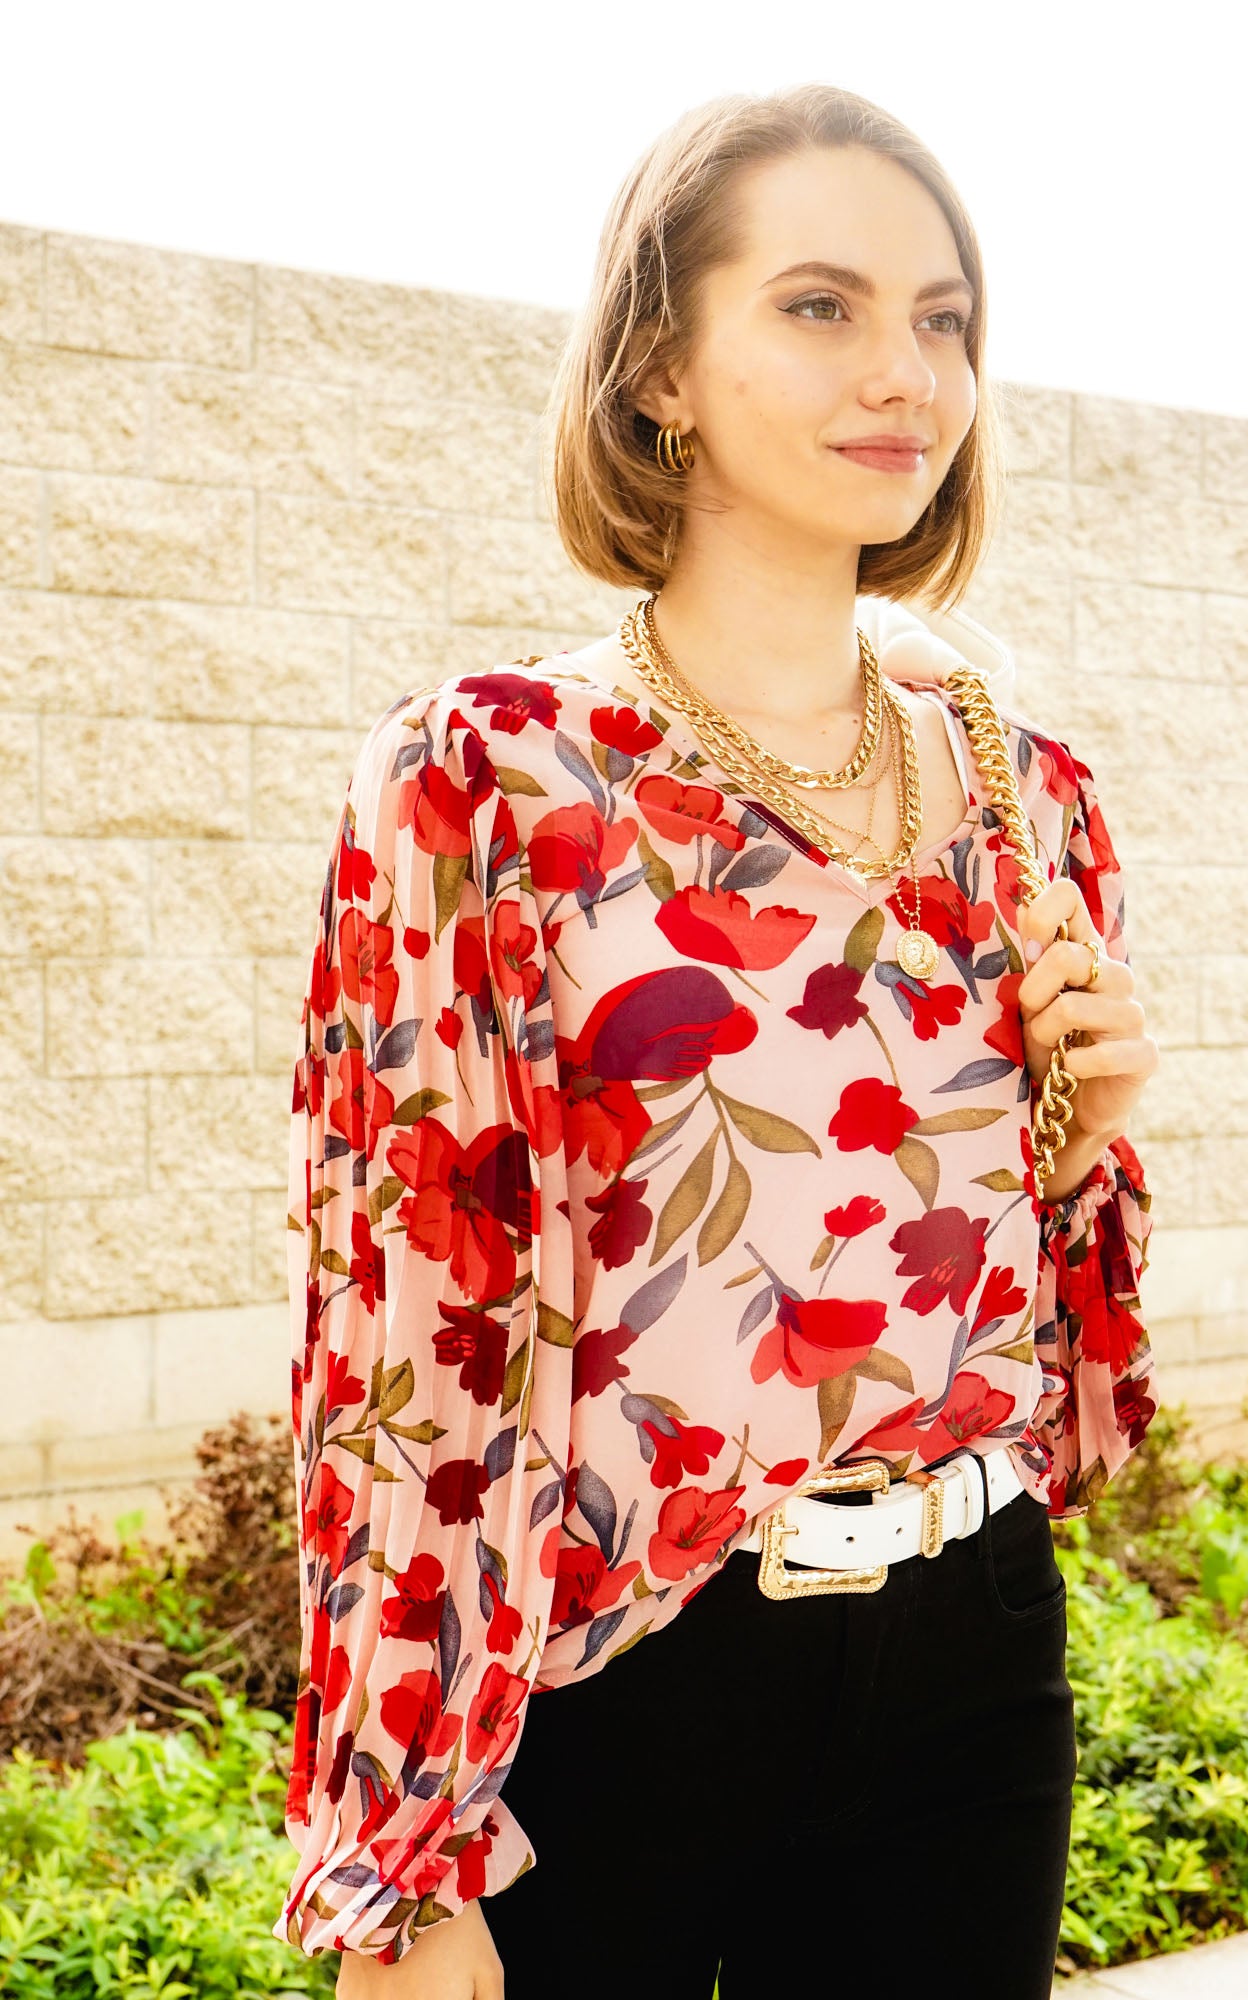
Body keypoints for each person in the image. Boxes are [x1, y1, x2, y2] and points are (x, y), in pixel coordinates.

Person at [275, 81, 1161, 2000]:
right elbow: (402, 1331)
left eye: (945, 321)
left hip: (973, 1650)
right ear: (662, 362)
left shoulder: (1035, 793)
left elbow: (989, 1282)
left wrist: (1084, 1127)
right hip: (623, 1676)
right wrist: (402, 1859)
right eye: (822, 306)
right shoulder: (492, 777)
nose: (906, 373)